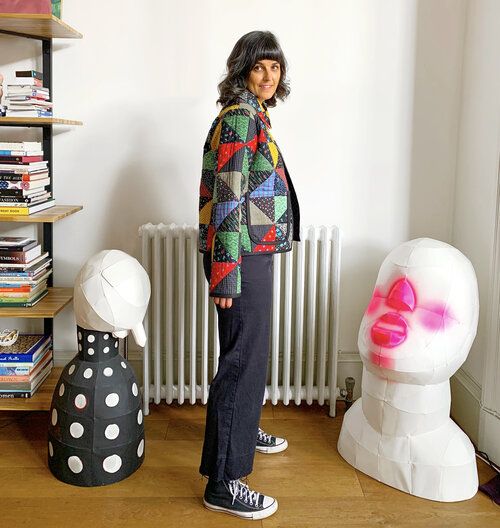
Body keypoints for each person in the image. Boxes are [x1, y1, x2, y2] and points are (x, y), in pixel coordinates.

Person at [197, 30, 301, 520]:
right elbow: (229, 197)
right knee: (241, 361)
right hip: (239, 258)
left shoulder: (255, 115)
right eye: (259, 67)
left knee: (247, 356)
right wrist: (225, 274)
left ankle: (244, 425)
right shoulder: (240, 117)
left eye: (275, 67)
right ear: (242, 70)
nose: (268, 76)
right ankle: (224, 483)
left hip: (249, 253)